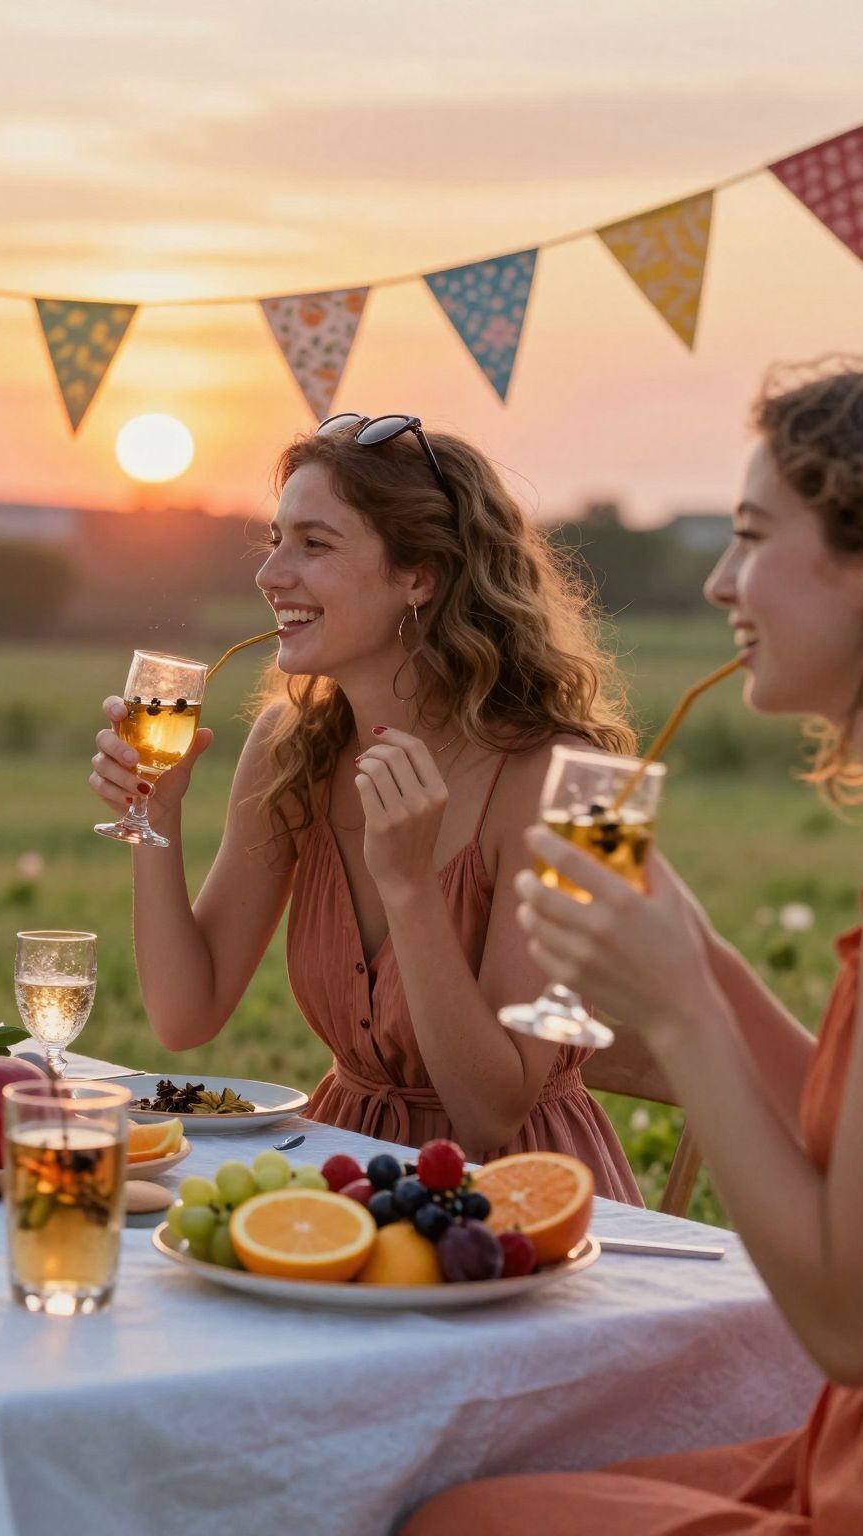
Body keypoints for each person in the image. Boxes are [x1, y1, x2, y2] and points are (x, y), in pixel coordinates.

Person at [407, 359, 863, 1533]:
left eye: (752, 536)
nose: (718, 581)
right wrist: (692, 943)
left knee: (454, 1521)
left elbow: (853, 1328)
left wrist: (676, 1013)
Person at [89, 413, 643, 1200]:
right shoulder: (291, 747)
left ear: (420, 576)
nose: (270, 573)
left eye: (314, 545)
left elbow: (490, 1114)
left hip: (521, 1201)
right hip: (350, 1175)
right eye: (275, 540)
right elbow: (186, 1016)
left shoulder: (581, 783)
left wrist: (414, 889)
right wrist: (157, 816)